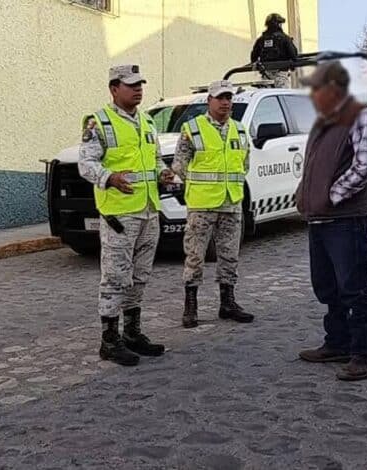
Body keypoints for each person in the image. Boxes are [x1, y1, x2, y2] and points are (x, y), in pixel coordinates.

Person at [79, 64, 175, 366]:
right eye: (130, 84)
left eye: (140, 84)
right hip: (120, 216)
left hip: (148, 211)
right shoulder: (99, 123)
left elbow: (155, 160)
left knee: (140, 276)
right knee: (115, 277)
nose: (138, 89)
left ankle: (133, 333)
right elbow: (86, 165)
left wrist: (164, 174)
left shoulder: (147, 122)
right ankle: (109, 340)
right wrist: (109, 178)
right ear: (113, 88)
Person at [295, 61, 367, 381]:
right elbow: (313, 168)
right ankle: (338, 342)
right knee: (327, 287)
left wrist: (332, 195)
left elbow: (365, 165)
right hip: (318, 219)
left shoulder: (360, 116)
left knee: (354, 288)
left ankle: (365, 353)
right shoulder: (322, 123)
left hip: (344, 218)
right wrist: (304, 194)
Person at [172, 80, 253, 328]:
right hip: (202, 205)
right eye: (220, 98)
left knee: (230, 256)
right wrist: (200, 187)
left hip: (231, 202)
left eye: (229, 98)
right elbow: (179, 165)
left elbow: (244, 163)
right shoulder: (192, 129)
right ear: (209, 101)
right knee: (195, 257)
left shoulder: (239, 130)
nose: (226, 102)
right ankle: (191, 307)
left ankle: (227, 303)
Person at [250, 13, 298, 87]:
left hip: (266, 75)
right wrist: (292, 66)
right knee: (282, 96)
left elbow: (253, 57)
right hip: (281, 75)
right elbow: (294, 55)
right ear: (278, 24)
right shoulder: (284, 38)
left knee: (267, 96)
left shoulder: (261, 39)